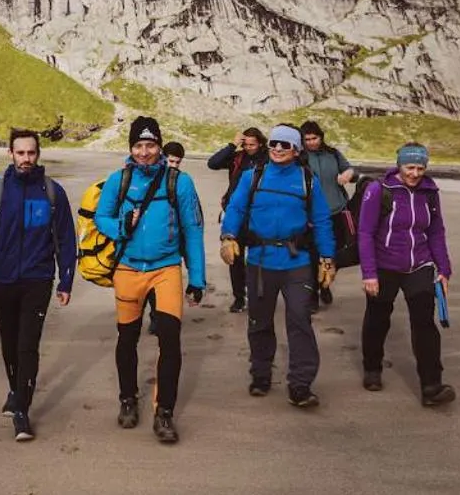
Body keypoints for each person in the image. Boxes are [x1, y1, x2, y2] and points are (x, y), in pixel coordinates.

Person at [93, 117, 206, 444]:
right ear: (131, 148)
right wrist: (121, 228)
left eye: (151, 145)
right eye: (139, 145)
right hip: (128, 270)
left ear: (160, 146)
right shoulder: (119, 180)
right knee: (127, 338)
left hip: (166, 269)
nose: (144, 152)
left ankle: (164, 412)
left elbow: (193, 230)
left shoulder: (179, 182)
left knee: (170, 339)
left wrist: (197, 278)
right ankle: (128, 399)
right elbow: (102, 217)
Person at [0, 129, 76, 442]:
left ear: (38, 154)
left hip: (38, 279)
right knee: (9, 343)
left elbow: (67, 240)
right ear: (11, 154)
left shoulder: (52, 192)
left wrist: (66, 280)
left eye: (31, 153)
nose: (26, 159)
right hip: (2, 279)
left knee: (27, 345)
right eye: (20, 153)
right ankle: (15, 390)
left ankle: (22, 411)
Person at [220, 125, 335, 408]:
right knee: (259, 322)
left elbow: (322, 220)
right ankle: (260, 375)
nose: (278, 149)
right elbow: (236, 208)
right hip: (260, 262)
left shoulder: (307, 180)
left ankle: (300, 385)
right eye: (274, 143)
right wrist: (228, 235)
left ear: (296, 150)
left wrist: (327, 258)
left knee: (300, 320)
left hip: (298, 263)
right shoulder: (252, 176)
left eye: (285, 145)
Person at [358, 142, 456, 406]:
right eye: (410, 167)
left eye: (420, 168)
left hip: (420, 265)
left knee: (424, 324)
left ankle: (431, 386)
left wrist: (444, 269)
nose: (415, 174)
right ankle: (372, 369)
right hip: (384, 266)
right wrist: (369, 273)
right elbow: (365, 233)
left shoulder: (429, 192)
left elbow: (436, 231)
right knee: (377, 319)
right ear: (399, 165)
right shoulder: (379, 190)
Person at [299, 120, 357, 309]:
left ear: (321, 137)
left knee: (333, 255)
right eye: (307, 139)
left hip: (336, 211)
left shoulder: (333, 154)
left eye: (314, 138)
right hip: (311, 215)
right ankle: (313, 294)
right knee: (314, 255)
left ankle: (325, 283)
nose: (311, 142)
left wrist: (348, 174)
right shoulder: (300, 157)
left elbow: (351, 172)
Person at [206, 128, 266, 312]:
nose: (249, 148)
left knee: (259, 258)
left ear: (261, 144)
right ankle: (239, 297)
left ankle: (259, 295)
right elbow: (213, 163)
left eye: (252, 145)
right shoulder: (238, 158)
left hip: (258, 214)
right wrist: (232, 145)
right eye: (246, 144)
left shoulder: (268, 160)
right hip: (236, 213)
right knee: (235, 257)